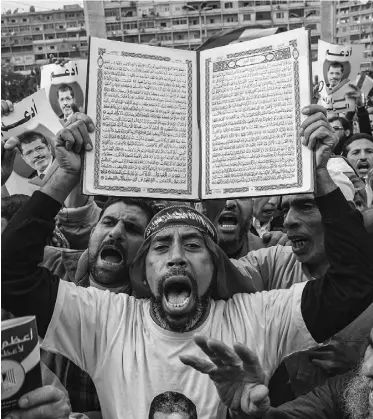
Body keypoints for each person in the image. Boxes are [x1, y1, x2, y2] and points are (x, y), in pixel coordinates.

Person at [2, 106, 373, 418]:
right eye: (161, 246)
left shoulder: (259, 317)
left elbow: (354, 282)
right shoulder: (108, 319)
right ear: (143, 271)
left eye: (193, 245)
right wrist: (65, 175)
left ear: (215, 266)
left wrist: (321, 173)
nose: (177, 257)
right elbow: (11, 275)